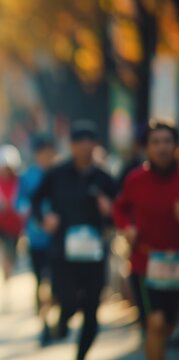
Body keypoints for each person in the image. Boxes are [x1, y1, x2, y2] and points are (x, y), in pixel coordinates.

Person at [31, 121, 118, 360]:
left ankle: (80, 356)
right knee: (67, 300)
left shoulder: (104, 178)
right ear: (71, 146)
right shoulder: (57, 174)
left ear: (96, 145)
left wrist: (109, 212)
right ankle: (62, 319)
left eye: (90, 142)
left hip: (95, 253)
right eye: (79, 143)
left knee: (91, 309)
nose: (85, 148)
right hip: (63, 252)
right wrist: (45, 218)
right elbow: (35, 201)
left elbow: (121, 211)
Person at [113, 119, 179, 360]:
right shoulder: (135, 180)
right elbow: (120, 209)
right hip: (146, 262)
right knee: (156, 322)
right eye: (155, 142)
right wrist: (127, 228)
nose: (162, 147)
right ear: (146, 147)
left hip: (177, 261)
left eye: (167, 141)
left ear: (175, 145)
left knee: (169, 326)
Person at [16, 135, 57, 345]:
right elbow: (20, 203)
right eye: (44, 153)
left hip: (58, 240)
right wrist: (33, 218)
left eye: (51, 153)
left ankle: (54, 317)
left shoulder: (60, 174)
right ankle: (45, 324)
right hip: (36, 239)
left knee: (57, 284)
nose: (48, 157)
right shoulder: (28, 176)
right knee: (41, 283)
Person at [0, 145, 23, 288]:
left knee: (11, 255)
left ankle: (7, 278)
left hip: (14, 226)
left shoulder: (19, 182)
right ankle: (4, 278)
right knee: (3, 254)